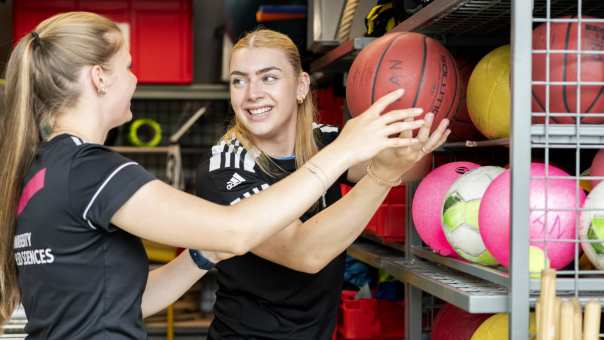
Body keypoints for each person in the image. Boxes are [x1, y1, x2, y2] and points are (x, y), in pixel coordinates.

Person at [0, 12, 428, 340]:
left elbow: (124, 301)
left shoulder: (47, 170)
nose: (135, 79)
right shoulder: (93, 172)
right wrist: (347, 153)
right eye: (128, 67)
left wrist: (203, 255)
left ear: (300, 86)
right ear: (99, 78)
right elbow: (238, 232)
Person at [195, 29, 450, 340]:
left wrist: (419, 142)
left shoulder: (322, 139)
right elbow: (304, 253)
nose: (252, 94)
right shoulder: (223, 168)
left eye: (269, 78)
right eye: (239, 80)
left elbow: (401, 165)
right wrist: (380, 175)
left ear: (301, 86)